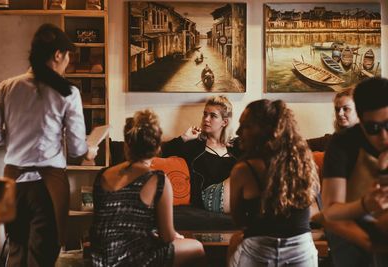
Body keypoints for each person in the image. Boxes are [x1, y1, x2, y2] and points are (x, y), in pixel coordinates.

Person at [0, 23, 98, 267]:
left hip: (12, 182)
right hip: (47, 185)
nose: (68, 62)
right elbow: (78, 149)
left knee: (16, 251)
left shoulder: (7, 87)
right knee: (42, 257)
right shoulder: (67, 92)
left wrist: (16, 134)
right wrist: (90, 150)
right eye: (68, 55)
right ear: (57, 55)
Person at [90, 110, 205, 267]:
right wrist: (174, 236)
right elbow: (167, 237)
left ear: (127, 145)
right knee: (197, 248)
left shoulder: (102, 175)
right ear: (157, 148)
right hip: (132, 259)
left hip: (100, 259)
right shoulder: (158, 179)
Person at [229, 99, 319, 266]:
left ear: (266, 130)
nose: (238, 131)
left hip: (259, 252)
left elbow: (239, 220)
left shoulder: (243, 170)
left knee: (234, 246)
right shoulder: (304, 163)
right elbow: (313, 208)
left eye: (246, 126)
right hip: (301, 252)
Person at [321, 77, 388, 267]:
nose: (383, 137)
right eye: (373, 128)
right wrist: (366, 204)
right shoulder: (342, 143)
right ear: (360, 118)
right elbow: (331, 212)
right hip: (349, 219)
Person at [162, 95, 241, 213]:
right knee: (243, 172)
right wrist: (184, 138)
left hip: (232, 197)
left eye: (213, 116)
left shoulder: (236, 147)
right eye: (205, 114)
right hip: (206, 199)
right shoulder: (195, 145)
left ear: (224, 122)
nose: (206, 119)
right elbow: (163, 152)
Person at [307, 87, 359, 151]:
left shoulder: (370, 142)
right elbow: (298, 145)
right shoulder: (330, 140)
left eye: (346, 109)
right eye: (337, 109)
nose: (340, 113)